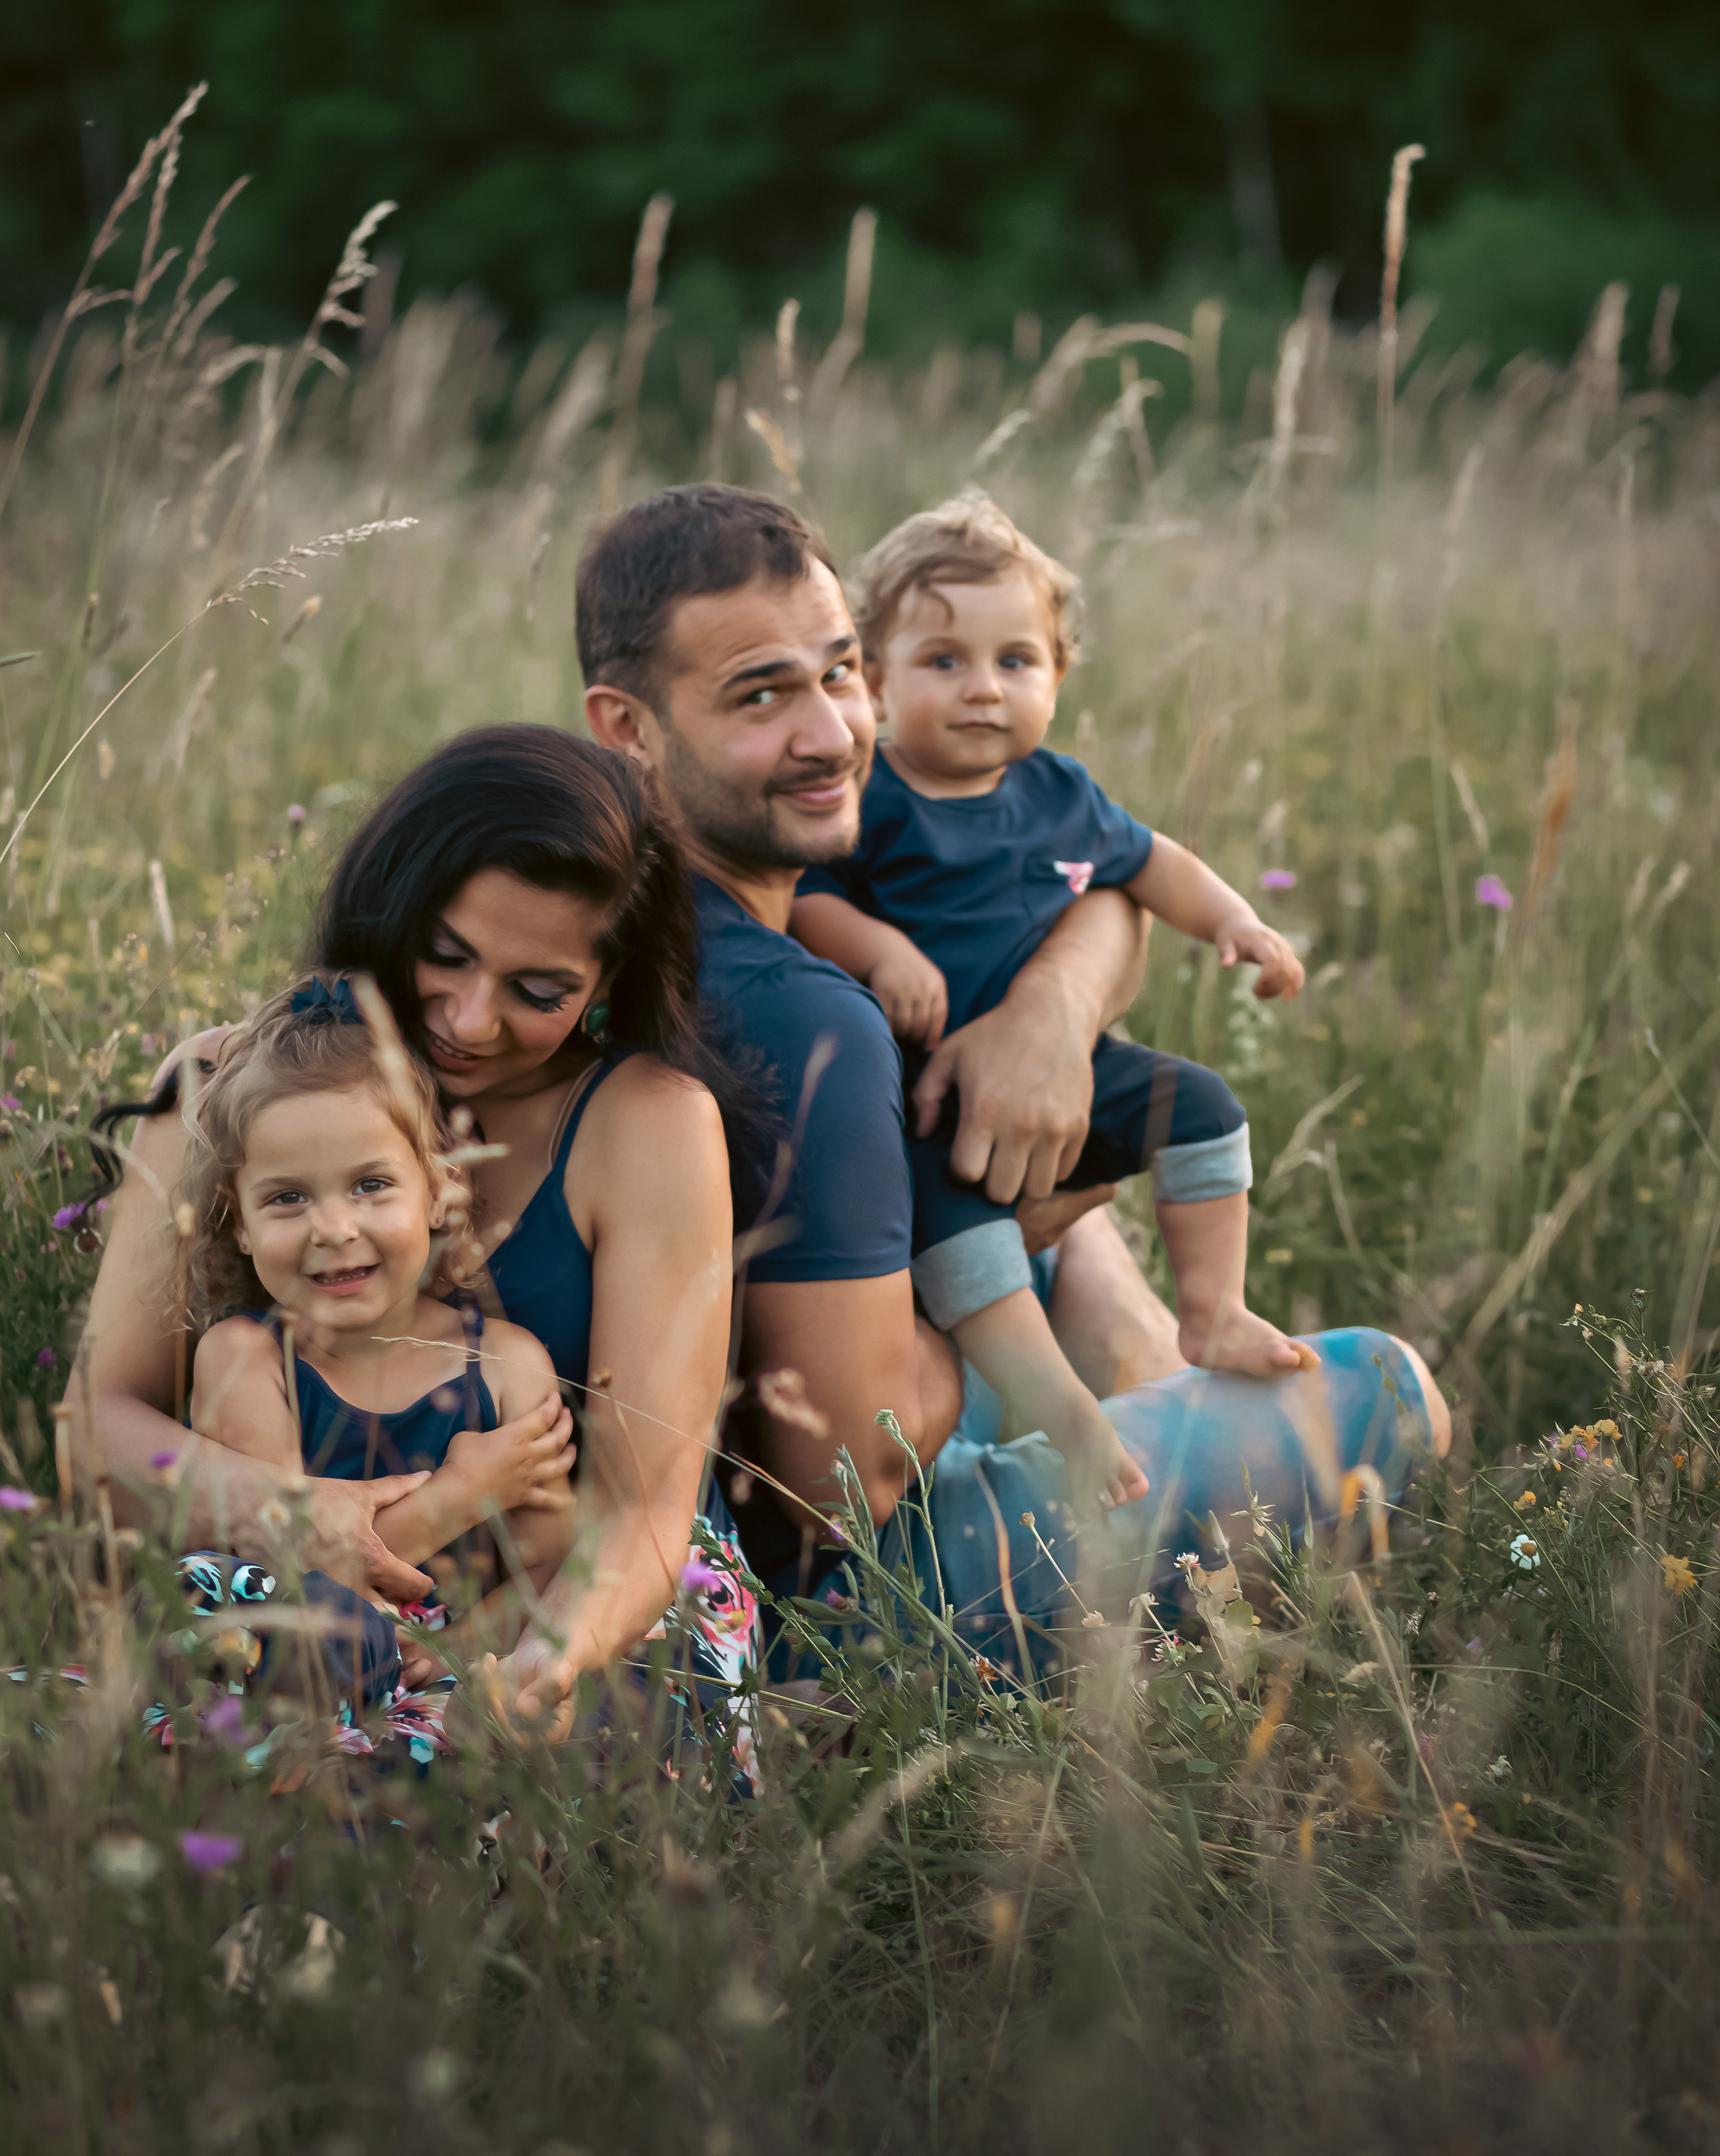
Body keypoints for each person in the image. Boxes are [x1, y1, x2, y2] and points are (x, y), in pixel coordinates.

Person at [577, 484, 1451, 1648]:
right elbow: (850, 1476)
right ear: (627, 724)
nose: (834, 733)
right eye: (761, 696)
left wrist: (1051, 1011)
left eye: (841, 674)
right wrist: (1043, 1217)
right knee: (1389, 1394)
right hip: (817, 1610)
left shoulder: (581, 905)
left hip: (713, 1508)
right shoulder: (801, 1013)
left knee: (1035, 1209)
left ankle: (1138, 1374)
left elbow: (1088, 883)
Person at [67, 726, 750, 1724]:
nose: (470, 1021)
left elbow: (642, 1506)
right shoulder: (229, 1086)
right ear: (393, 907)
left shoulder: (648, 1124)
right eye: (446, 955)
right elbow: (94, 1435)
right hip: (294, 1602)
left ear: (606, 987)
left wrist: (541, 1663)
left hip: (587, 1600)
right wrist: (303, 1522)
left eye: (540, 990)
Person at [788, 489, 1314, 1514]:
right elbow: (808, 901)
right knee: (964, 1239)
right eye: (944, 661)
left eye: (1016, 661)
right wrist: (881, 947)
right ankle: (1063, 1409)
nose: (984, 688)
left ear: (1058, 676)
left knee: (1203, 1110)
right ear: (878, 686)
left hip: (1073, 1068)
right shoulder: (872, 797)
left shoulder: (1061, 789)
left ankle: (1213, 1312)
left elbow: (1151, 863)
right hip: (927, 1099)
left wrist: (1237, 924)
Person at [181, 980, 575, 1692]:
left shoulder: (507, 1367)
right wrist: (457, 1497)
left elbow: (549, 1561)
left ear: (438, 1189)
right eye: (287, 1197)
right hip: (282, 1670)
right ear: (237, 1221)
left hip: (448, 1677)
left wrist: (461, 1644)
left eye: (370, 1185)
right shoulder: (246, 1360)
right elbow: (298, 1578)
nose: (333, 1228)